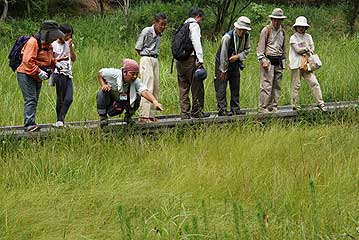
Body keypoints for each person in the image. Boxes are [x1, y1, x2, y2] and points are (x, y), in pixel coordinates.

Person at [16, 20, 67, 132]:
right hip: (25, 73)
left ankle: (31, 122)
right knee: (30, 99)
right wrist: (38, 71)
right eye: (53, 35)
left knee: (35, 99)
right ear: (47, 33)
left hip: (36, 75)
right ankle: (29, 125)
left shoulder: (48, 45)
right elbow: (27, 61)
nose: (54, 38)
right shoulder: (33, 42)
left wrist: (55, 64)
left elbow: (48, 58)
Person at [96, 58, 163, 128]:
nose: (135, 76)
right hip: (110, 98)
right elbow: (100, 73)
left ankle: (128, 116)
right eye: (132, 74)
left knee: (137, 96)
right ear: (124, 72)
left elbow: (144, 91)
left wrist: (154, 101)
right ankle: (103, 118)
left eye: (136, 74)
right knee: (101, 93)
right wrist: (103, 85)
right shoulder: (113, 73)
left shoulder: (136, 81)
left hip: (122, 100)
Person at [176, 7, 210, 119]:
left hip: (180, 61)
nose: (201, 21)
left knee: (183, 88)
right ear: (198, 16)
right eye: (201, 18)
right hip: (191, 60)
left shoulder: (183, 25)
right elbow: (196, 42)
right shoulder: (194, 25)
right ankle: (197, 112)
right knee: (197, 86)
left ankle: (185, 113)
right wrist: (200, 59)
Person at [214, 16, 251, 116]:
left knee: (235, 85)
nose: (242, 32)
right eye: (241, 29)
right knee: (221, 86)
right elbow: (223, 54)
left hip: (235, 62)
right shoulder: (227, 37)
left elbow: (247, 50)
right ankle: (222, 110)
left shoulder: (247, 36)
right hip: (222, 63)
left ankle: (235, 108)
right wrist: (223, 70)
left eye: (244, 30)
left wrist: (238, 56)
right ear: (237, 28)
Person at [135, 12, 168, 123]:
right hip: (146, 58)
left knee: (155, 86)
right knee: (147, 85)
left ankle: (151, 115)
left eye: (164, 25)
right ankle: (144, 115)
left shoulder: (159, 34)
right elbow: (138, 47)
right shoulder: (147, 31)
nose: (162, 27)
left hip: (155, 59)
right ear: (155, 23)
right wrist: (145, 56)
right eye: (161, 24)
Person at [289, 16, 326, 111]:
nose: (301, 28)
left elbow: (312, 48)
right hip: (296, 64)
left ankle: (320, 103)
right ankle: (295, 106)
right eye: (299, 26)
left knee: (314, 83)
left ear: (306, 27)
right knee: (296, 85)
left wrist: (308, 50)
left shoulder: (308, 37)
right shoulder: (293, 37)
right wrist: (306, 49)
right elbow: (297, 50)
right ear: (296, 27)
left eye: (303, 26)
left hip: (307, 64)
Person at [257, 8, 287, 113]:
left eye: (279, 19)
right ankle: (263, 107)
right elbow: (260, 48)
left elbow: (284, 48)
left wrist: (284, 61)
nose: (277, 21)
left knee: (277, 85)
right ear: (272, 19)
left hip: (278, 60)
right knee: (266, 85)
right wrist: (263, 60)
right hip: (268, 60)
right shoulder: (266, 30)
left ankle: (274, 106)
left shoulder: (282, 31)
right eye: (275, 19)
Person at [52, 23, 77, 128]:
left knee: (69, 98)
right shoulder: (53, 45)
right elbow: (51, 61)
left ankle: (60, 120)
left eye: (69, 35)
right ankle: (60, 120)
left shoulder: (69, 44)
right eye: (66, 35)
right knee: (61, 98)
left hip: (68, 73)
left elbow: (74, 59)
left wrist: (70, 47)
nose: (67, 38)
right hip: (58, 73)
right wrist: (61, 59)